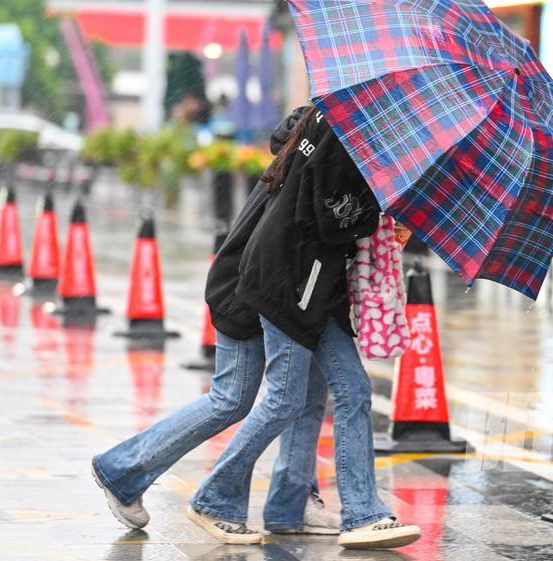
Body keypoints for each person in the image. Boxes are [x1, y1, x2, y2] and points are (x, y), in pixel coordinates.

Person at [90, 108, 339, 539]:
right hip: (250, 290)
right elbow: (316, 230)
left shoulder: (306, 144)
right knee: (235, 399)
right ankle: (138, 473)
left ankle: (124, 471)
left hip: (256, 285)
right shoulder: (318, 157)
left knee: (266, 397)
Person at [187, 106, 422, 549]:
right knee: (283, 400)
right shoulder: (344, 128)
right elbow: (333, 216)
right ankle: (216, 496)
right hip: (292, 281)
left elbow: (296, 153)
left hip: (314, 282)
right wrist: (381, 212)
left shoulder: (335, 120)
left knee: (348, 390)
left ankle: (343, 512)